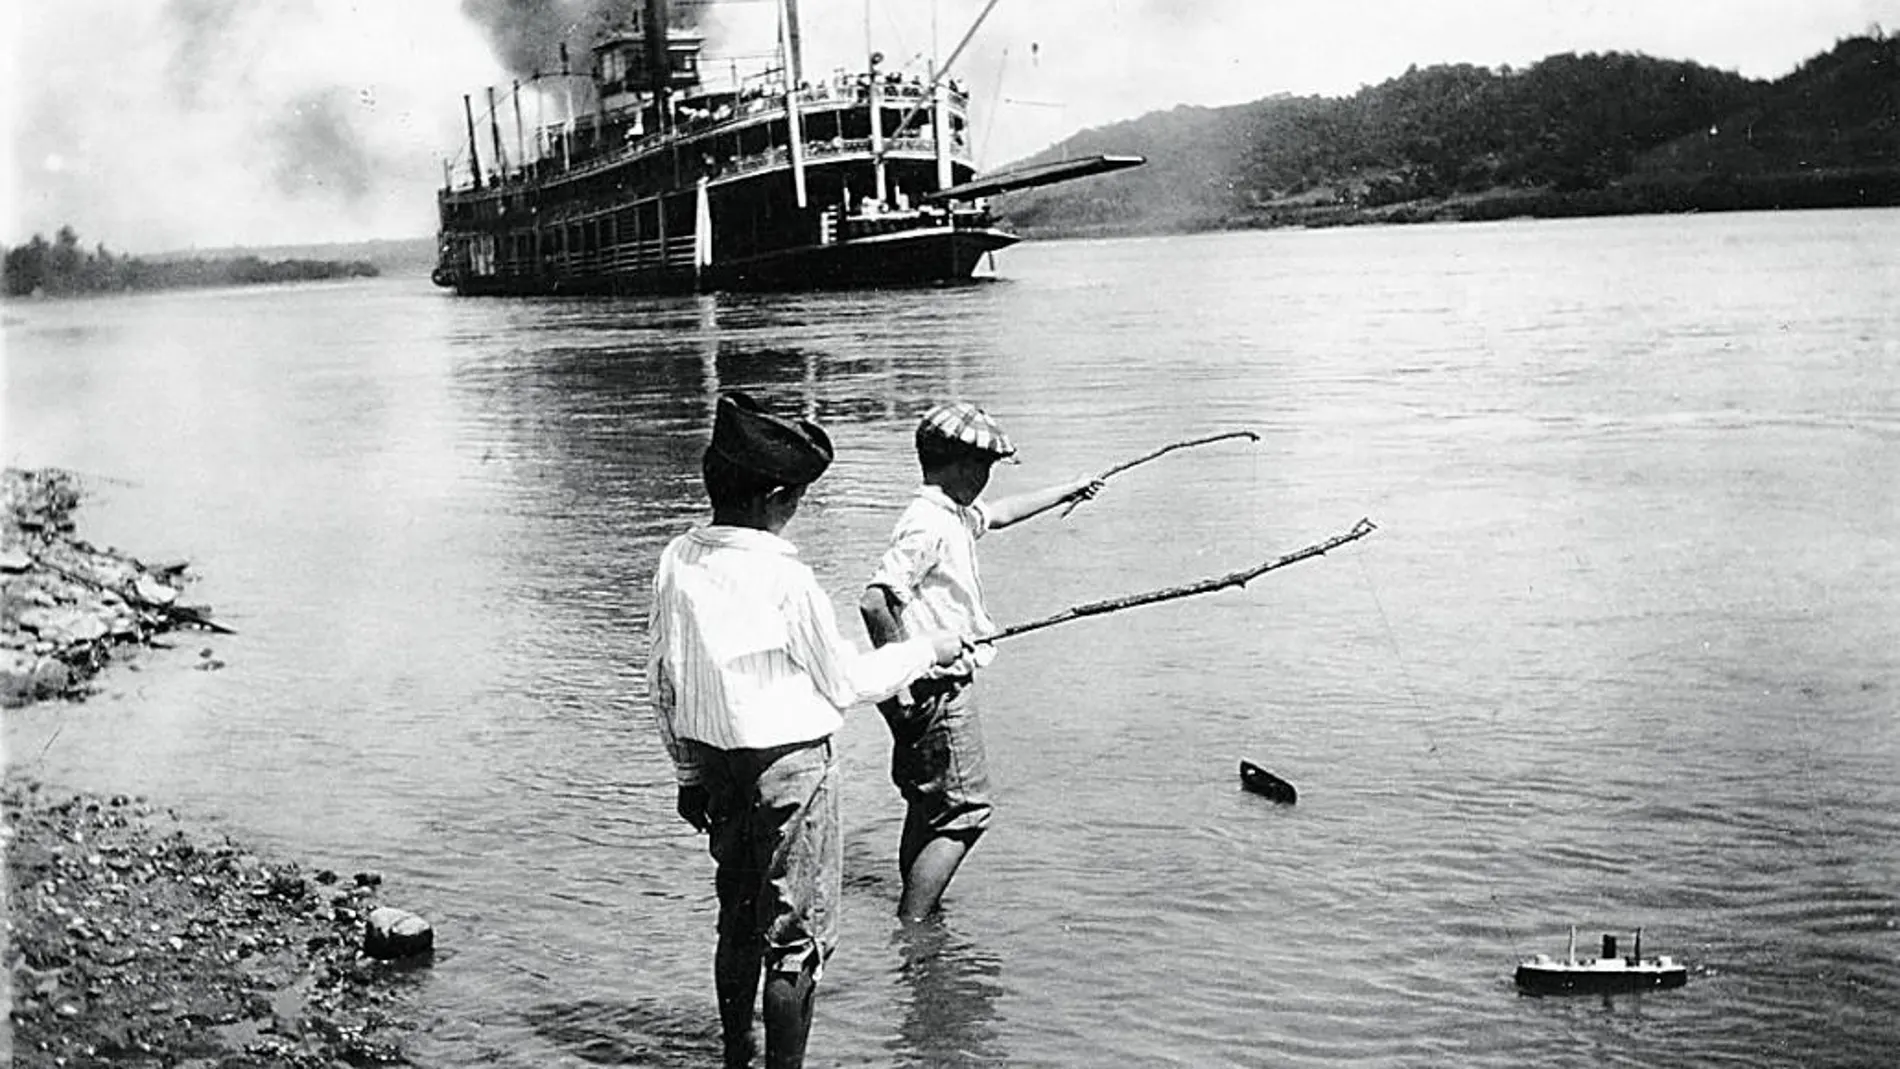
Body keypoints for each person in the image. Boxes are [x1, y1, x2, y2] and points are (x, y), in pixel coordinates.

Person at [647, 392, 968, 1069]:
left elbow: (662, 678)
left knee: (737, 918)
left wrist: (686, 774)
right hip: (794, 769)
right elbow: (844, 682)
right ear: (771, 496)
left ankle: (738, 1054)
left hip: (717, 765)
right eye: (796, 496)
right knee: (797, 939)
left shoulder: (677, 557)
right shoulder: (784, 574)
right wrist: (929, 650)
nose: (798, 508)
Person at [858, 402, 1103, 921]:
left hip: (923, 687)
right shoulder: (928, 525)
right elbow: (876, 600)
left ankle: (921, 916)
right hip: (938, 688)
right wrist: (902, 680)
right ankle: (917, 926)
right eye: (984, 467)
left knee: (929, 807)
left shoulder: (949, 514)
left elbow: (1002, 514)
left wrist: (1067, 489)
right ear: (957, 465)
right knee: (967, 813)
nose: (987, 478)